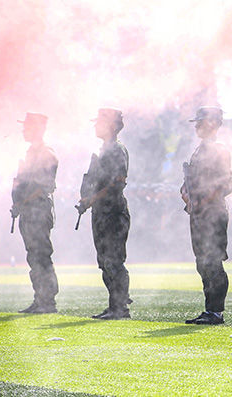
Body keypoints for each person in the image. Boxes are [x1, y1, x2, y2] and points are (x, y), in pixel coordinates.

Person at [76, 108, 132, 320]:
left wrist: (92, 198)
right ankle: (114, 306)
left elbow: (117, 183)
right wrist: (87, 199)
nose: (95, 126)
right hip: (102, 212)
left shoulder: (116, 150)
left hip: (113, 212)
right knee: (104, 261)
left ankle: (120, 308)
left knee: (113, 260)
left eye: (99, 122)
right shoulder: (104, 150)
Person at [182, 106, 232, 325]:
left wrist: (203, 201)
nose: (197, 126)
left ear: (212, 123)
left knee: (212, 261)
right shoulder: (199, 150)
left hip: (212, 213)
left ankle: (215, 311)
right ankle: (209, 308)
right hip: (199, 213)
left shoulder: (218, 150)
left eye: (201, 122)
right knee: (202, 262)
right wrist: (186, 194)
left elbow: (225, 184)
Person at [11, 112, 59, 314]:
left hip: (37, 210)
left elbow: (43, 186)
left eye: (27, 126)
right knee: (34, 257)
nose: (23, 130)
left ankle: (47, 301)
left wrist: (22, 202)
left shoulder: (46, 154)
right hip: (29, 212)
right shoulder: (31, 154)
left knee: (41, 255)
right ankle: (40, 299)